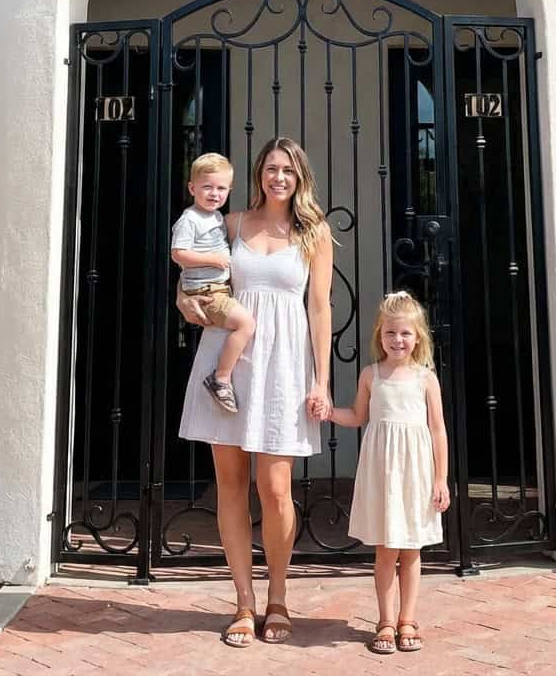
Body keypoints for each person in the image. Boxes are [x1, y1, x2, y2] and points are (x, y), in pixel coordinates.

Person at [177, 137, 333, 647]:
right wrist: (184, 302)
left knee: (276, 487)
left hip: (285, 365)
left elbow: (319, 309)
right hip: (229, 358)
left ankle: (279, 596)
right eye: (270, 168)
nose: (278, 178)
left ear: (300, 176)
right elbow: (198, 278)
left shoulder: (315, 232)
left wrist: (322, 380)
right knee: (230, 483)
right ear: (259, 174)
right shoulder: (232, 223)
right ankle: (244, 602)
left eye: (287, 170)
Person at [326, 290, 450, 655]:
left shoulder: (426, 379)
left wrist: (441, 478)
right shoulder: (371, 375)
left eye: (405, 333)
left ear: (418, 337)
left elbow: (438, 430)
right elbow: (358, 416)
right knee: (385, 549)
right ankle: (384, 620)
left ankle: (407, 619)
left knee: (411, 550)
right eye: (390, 333)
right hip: (382, 472)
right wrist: (329, 412)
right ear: (380, 335)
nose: (398, 340)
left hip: (415, 472)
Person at [170, 152, 256, 413]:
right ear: (192, 188)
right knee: (246, 324)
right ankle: (220, 378)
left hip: (219, 289)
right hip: (206, 292)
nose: (214, 194)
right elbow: (178, 254)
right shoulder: (190, 219)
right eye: (207, 187)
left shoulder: (218, 217)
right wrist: (214, 260)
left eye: (221, 188)